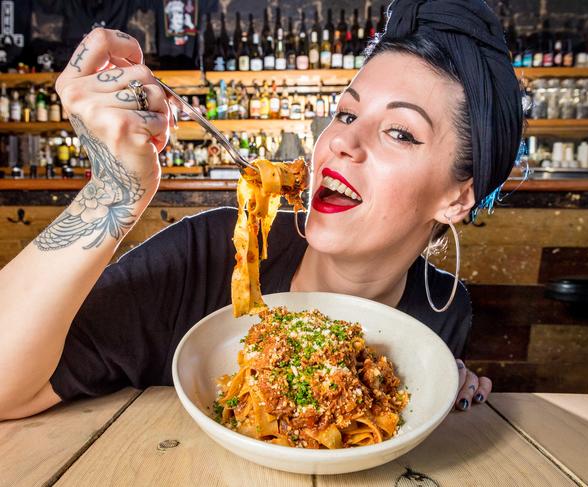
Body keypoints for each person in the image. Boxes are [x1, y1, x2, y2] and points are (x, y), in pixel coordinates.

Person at [0, 0, 522, 421]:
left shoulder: (441, 314)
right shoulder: (206, 255)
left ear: (456, 198)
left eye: (400, 132)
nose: (342, 141)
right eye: (346, 112)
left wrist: (441, 387)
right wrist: (114, 190)